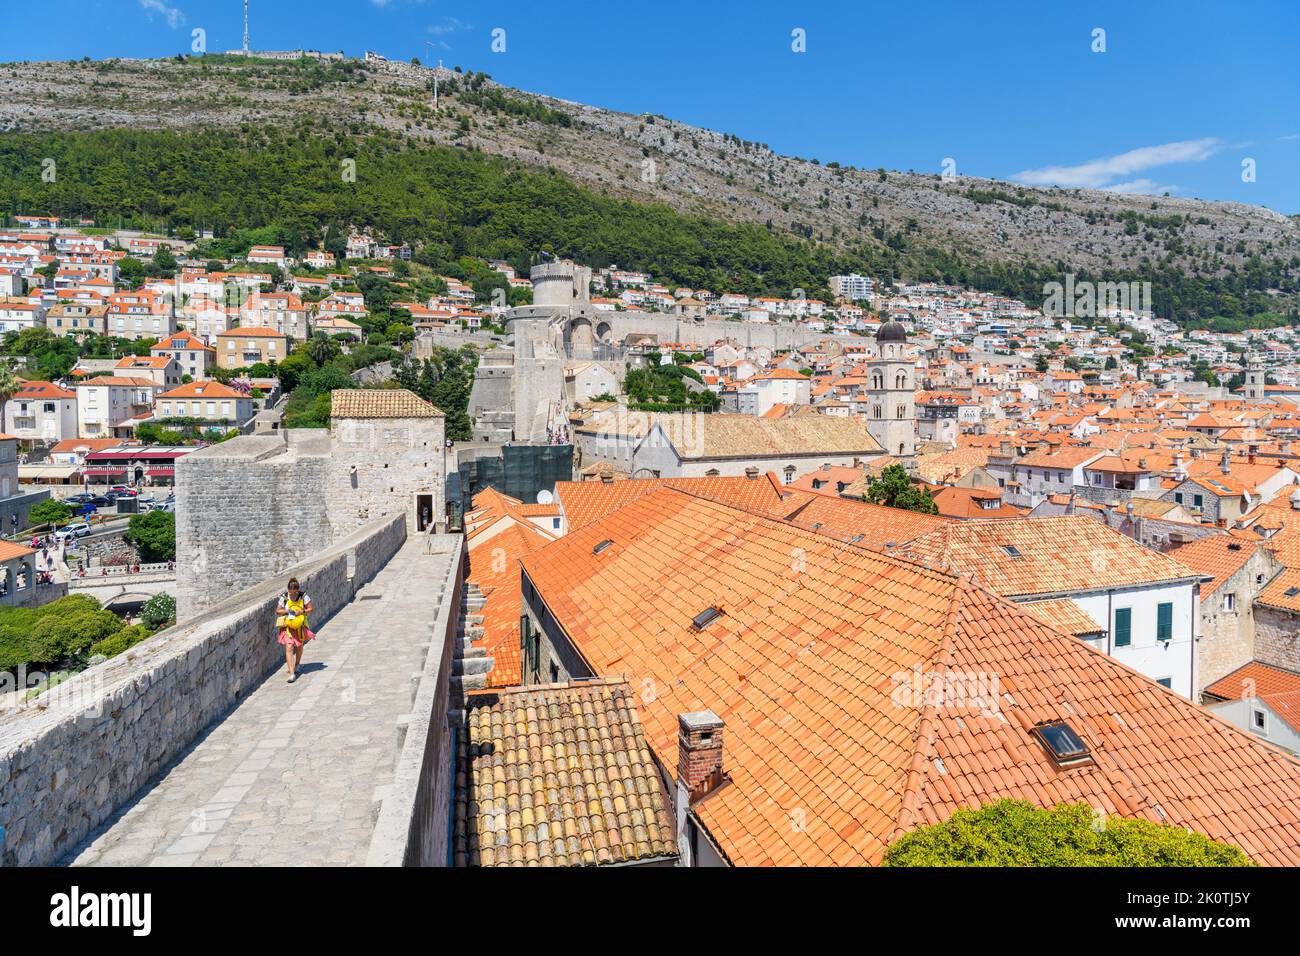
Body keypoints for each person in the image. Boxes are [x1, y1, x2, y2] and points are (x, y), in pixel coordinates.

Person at [276, 577, 316, 683]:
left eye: (295, 592)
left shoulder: (303, 596)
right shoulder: (284, 597)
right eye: (291, 592)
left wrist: (302, 611)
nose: (293, 594)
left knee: (299, 645)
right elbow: (278, 611)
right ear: (288, 590)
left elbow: (310, 608)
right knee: (289, 646)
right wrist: (287, 611)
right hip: (288, 626)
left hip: (300, 625)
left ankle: (297, 664)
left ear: (297, 590)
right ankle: (292, 672)